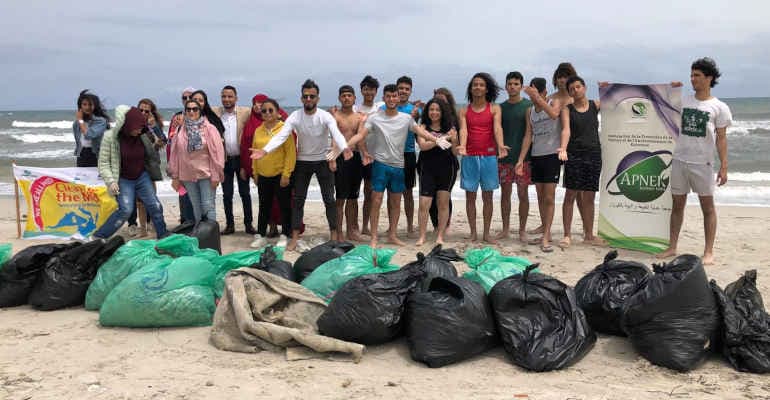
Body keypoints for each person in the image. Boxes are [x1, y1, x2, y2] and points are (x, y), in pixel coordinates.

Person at [250, 79, 352, 252]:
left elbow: (336, 132)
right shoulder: (296, 116)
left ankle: (334, 235)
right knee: (298, 201)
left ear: (317, 99)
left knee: (329, 199)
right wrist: (265, 150)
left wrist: (344, 147)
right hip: (303, 162)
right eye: (306, 96)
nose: (309, 99)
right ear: (301, 98)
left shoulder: (324, 116)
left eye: (312, 96)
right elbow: (282, 135)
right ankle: (295, 237)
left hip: (322, 161)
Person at [348, 84, 450, 248]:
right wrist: (344, 145)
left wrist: (436, 140)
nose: (391, 99)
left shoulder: (406, 118)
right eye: (388, 96)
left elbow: (420, 132)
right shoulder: (375, 117)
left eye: (394, 96)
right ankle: (374, 237)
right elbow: (360, 135)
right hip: (380, 164)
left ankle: (392, 235)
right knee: (376, 200)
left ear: (398, 97)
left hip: (398, 166)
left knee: (396, 202)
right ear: (384, 98)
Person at [657, 58, 732, 265]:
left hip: (703, 164)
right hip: (680, 160)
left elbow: (722, 138)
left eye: (697, 75)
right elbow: (659, 103)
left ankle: (708, 251)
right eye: (691, 75)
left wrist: (724, 166)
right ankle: (672, 247)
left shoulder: (719, 107)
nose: (693, 79)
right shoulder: (684, 100)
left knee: (707, 207)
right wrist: (669, 90)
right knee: (677, 206)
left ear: (709, 78)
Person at [93, 106, 167, 239]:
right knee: (126, 210)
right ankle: (100, 236)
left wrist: (154, 126)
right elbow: (103, 163)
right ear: (127, 124)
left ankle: (163, 235)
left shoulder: (142, 135)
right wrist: (110, 182)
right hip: (123, 178)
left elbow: (158, 144)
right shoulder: (110, 138)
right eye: (137, 127)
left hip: (142, 176)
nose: (139, 131)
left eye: (141, 127)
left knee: (155, 205)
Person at [457, 72, 508, 244]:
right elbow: (463, 130)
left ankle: (486, 233)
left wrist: (500, 145)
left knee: (488, 196)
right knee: (470, 197)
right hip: (469, 156)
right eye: (475, 85)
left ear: (486, 89)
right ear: (470, 89)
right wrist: (462, 146)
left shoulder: (494, 108)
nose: (478, 87)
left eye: (481, 85)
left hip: (489, 156)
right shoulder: (464, 110)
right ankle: (473, 233)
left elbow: (497, 128)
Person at [517, 77, 563, 252]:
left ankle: (546, 236)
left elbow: (553, 114)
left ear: (544, 92)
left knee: (550, 197)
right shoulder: (530, 111)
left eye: (537, 92)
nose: (533, 97)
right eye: (532, 93)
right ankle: (546, 230)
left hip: (552, 155)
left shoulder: (554, 102)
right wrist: (521, 160)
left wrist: (539, 99)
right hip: (537, 156)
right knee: (540, 196)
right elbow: (528, 136)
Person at [558, 75, 604, 248]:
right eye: (571, 89)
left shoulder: (596, 105)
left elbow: (618, 102)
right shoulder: (567, 109)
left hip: (594, 154)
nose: (575, 91)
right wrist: (563, 148)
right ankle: (567, 235)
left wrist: (607, 89)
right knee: (570, 195)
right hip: (574, 154)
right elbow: (566, 130)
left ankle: (589, 235)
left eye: (578, 87)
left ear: (584, 87)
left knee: (590, 197)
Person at [168, 99, 225, 223]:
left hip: (207, 174)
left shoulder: (210, 129)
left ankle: (210, 236)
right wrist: (175, 176)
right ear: (185, 111)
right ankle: (201, 235)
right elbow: (175, 155)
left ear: (200, 111)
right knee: (196, 207)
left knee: (208, 206)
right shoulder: (180, 130)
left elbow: (218, 155)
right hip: (188, 176)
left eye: (195, 109)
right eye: (188, 109)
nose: (191, 111)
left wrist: (216, 175)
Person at [250, 98, 295, 247]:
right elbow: (255, 153)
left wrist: (286, 174)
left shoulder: (284, 129)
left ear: (277, 112)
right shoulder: (258, 130)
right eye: (264, 111)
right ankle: (261, 235)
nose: (267, 113)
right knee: (264, 206)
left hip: (280, 174)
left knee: (284, 206)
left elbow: (290, 153)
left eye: (271, 110)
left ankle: (285, 235)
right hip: (263, 175)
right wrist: (255, 173)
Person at [213, 85, 255, 235]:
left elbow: (260, 115)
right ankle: (230, 225)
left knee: (245, 193)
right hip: (225, 160)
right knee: (227, 194)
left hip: (241, 159)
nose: (227, 99)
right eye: (224, 96)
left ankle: (248, 224)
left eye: (230, 96)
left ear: (236, 98)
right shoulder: (215, 113)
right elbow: (199, 107)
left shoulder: (245, 112)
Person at [415, 98, 458, 245]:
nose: (434, 112)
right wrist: (442, 138)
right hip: (427, 168)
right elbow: (423, 146)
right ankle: (421, 236)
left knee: (443, 203)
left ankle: (440, 235)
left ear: (442, 112)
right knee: (424, 204)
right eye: (431, 109)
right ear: (427, 111)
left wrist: (454, 138)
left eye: (437, 110)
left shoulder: (450, 127)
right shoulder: (422, 126)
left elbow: (454, 150)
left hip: (447, 168)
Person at [498, 71, 533, 242]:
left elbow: (529, 133)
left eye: (516, 84)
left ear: (521, 86)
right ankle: (505, 229)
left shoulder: (528, 106)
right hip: (504, 159)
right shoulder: (501, 108)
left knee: (523, 194)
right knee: (505, 194)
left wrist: (522, 158)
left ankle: (522, 230)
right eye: (510, 83)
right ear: (506, 86)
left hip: (523, 159)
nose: (512, 86)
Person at [126, 98, 167, 237]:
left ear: (151, 112)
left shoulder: (152, 126)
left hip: (149, 167)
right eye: (141, 110)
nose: (143, 112)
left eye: (146, 111)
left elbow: (162, 142)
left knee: (152, 199)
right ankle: (142, 230)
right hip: (135, 167)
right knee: (139, 201)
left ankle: (157, 225)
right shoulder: (131, 125)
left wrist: (153, 127)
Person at [333, 85, 365, 242]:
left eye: (349, 95)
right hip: (340, 158)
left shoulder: (359, 117)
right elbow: (333, 139)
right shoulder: (335, 116)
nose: (346, 98)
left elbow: (360, 138)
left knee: (353, 198)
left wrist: (365, 155)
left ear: (354, 98)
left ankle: (351, 230)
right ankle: (339, 232)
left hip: (355, 158)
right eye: (343, 95)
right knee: (340, 198)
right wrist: (332, 158)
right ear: (339, 98)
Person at [355, 75, 384, 237]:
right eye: (366, 89)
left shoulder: (380, 108)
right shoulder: (355, 109)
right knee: (354, 194)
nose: (369, 92)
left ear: (376, 91)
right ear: (361, 90)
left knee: (370, 192)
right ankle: (354, 226)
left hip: (375, 156)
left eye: (372, 89)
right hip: (357, 156)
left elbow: (396, 106)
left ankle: (366, 225)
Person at [430, 87, 460, 232]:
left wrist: (451, 140)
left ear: (448, 101)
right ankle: (436, 224)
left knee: (444, 195)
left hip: (449, 162)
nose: (440, 102)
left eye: (443, 99)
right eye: (437, 99)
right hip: (429, 162)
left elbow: (457, 142)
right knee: (430, 196)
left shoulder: (454, 119)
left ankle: (445, 224)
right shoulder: (429, 117)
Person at [168, 87, 196, 225]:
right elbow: (171, 141)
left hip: (197, 164)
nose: (187, 100)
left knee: (197, 195)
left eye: (190, 97)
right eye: (184, 98)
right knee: (183, 194)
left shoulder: (201, 116)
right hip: (180, 164)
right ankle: (185, 221)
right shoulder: (176, 117)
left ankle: (197, 222)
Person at [72, 90, 109, 167]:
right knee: (81, 177)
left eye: (90, 104)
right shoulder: (77, 122)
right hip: (82, 154)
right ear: (80, 106)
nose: (87, 107)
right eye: (84, 104)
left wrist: (80, 120)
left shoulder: (101, 121)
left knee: (96, 178)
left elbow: (89, 135)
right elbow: (78, 140)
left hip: (96, 154)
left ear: (95, 106)